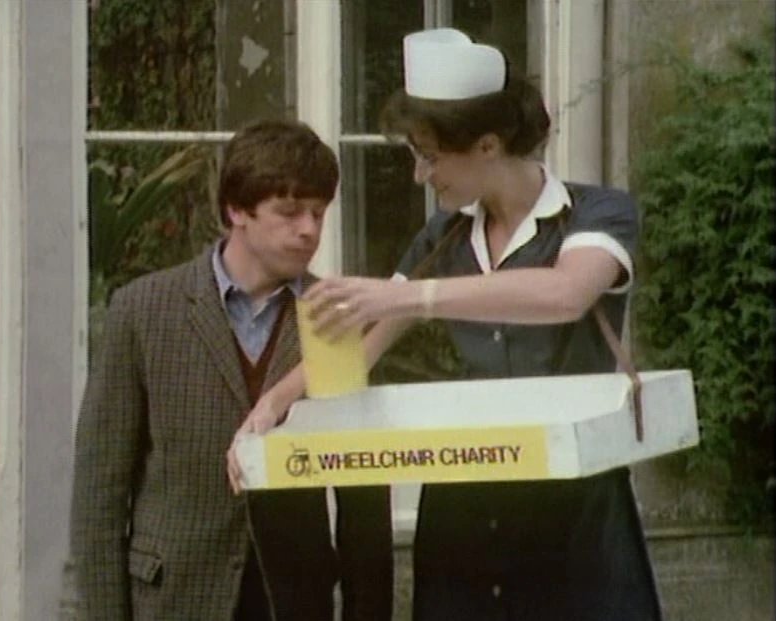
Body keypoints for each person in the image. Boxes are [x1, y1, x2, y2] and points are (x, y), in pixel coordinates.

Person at [233, 29, 662, 621]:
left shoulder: (596, 214)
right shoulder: (444, 235)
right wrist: (273, 404)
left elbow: (566, 293)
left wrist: (411, 297)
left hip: (573, 509)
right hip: (464, 512)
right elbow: (361, 347)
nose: (418, 175)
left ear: (487, 145)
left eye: (429, 157)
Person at [70, 118, 393, 621]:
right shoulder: (143, 310)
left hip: (293, 601)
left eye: (318, 212)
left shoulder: (336, 318)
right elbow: (101, 490)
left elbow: (365, 505)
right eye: (289, 212)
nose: (309, 230)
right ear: (236, 210)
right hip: (174, 599)